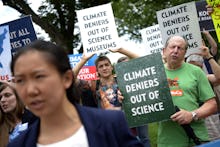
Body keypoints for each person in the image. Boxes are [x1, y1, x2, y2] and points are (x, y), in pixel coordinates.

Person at [7, 40, 143, 147]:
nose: (30, 90)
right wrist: (83, 59)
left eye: (39, 77)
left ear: (66, 79)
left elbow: (144, 64)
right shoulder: (19, 144)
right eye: (20, 80)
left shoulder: (112, 124)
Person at [158, 35, 217, 147]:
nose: (176, 51)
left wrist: (192, 114)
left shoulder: (196, 72)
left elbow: (212, 104)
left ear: (185, 53)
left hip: (195, 137)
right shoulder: (155, 73)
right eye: (172, 47)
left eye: (180, 48)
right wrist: (125, 97)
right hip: (168, 140)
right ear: (164, 51)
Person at [0, 81, 28, 147]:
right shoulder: (1, 125)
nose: (2, 100)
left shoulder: (34, 119)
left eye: (7, 95)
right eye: (0, 97)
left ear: (18, 97)